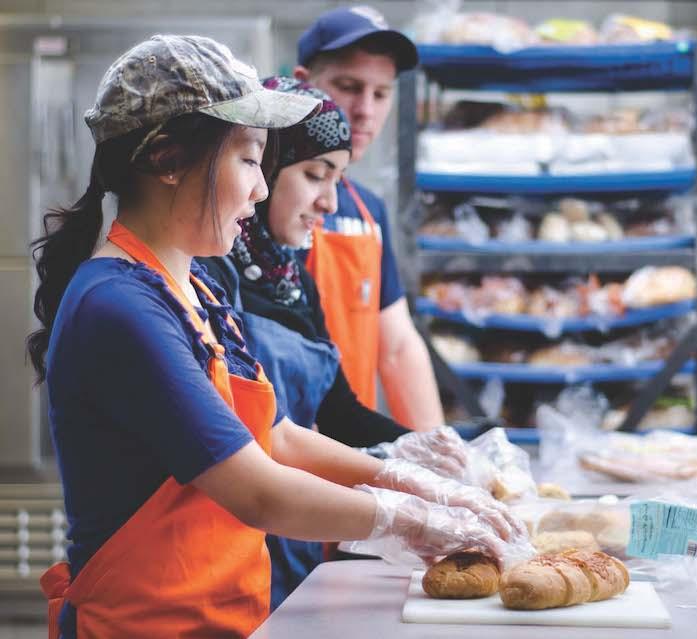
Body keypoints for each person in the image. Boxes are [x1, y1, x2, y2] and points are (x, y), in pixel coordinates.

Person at [29, 35, 526, 638]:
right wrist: (409, 519)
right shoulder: (119, 305)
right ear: (166, 161)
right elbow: (256, 491)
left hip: (231, 618)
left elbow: (279, 437)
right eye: (247, 160)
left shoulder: (198, 289)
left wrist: (407, 475)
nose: (262, 190)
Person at [197, 77, 470, 608]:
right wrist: (402, 498)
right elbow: (265, 441)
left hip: (294, 539)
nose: (329, 201)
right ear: (266, 169)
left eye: (339, 180)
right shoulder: (208, 276)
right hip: (226, 543)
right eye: (315, 175)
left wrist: (431, 452)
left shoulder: (292, 276)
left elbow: (336, 410)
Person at [293, 6, 444, 428]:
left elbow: (395, 346)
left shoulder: (368, 209)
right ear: (302, 86)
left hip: (348, 450)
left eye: (381, 94)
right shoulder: (258, 204)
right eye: (348, 87)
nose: (365, 111)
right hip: (279, 463)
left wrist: (445, 458)